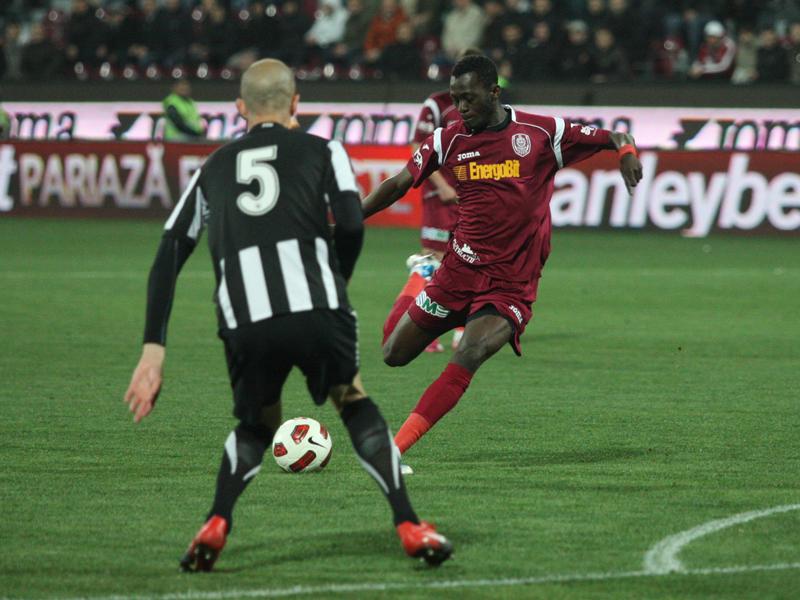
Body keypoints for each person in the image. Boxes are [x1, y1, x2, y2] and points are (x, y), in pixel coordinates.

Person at [124, 58, 452, 572]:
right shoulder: (325, 150)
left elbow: (170, 250)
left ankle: (217, 520)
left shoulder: (213, 167)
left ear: (240, 108)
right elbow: (351, 223)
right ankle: (409, 524)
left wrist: (152, 349)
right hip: (316, 306)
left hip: (245, 316)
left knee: (257, 424)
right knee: (352, 401)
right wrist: (336, 281)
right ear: (296, 103)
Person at [362, 55, 642, 463]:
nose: (460, 108)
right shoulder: (447, 139)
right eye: (455, 99)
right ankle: (423, 273)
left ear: (494, 92)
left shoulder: (541, 133)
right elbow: (399, 183)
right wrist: (349, 219)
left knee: (469, 353)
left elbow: (614, 135)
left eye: (469, 98)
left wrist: (627, 151)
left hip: (510, 284)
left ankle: (393, 452)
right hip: (457, 272)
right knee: (393, 354)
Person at [383, 48, 482, 358]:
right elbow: (419, 146)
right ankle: (418, 328)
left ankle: (460, 329)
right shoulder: (437, 104)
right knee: (434, 260)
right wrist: (441, 185)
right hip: (440, 196)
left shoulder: (487, 107)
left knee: (469, 260)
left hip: (470, 196)